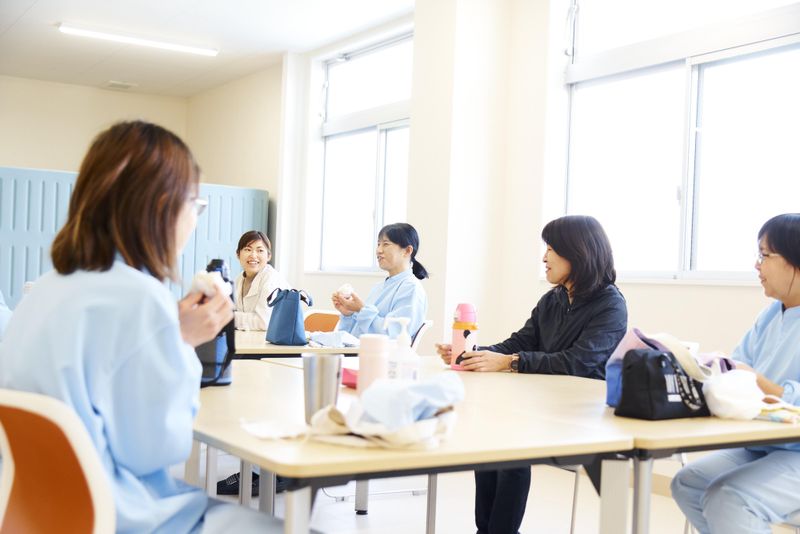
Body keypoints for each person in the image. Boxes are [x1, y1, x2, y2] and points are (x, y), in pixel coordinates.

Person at [0, 121, 282, 532]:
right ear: (164, 206)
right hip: (124, 516)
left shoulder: (44, 289)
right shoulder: (140, 297)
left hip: (40, 514)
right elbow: (158, 448)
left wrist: (167, 337)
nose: (194, 220)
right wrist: (180, 344)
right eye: (196, 206)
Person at [436, 215, 627, 534]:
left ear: (577, 252)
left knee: (510, 447)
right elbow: (520, 342)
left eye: (551, 249)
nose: (544, 257)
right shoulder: (553, 299)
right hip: (543, 402)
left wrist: (509, 362)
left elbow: (578, 362)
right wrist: (474, 354)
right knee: (490, 439)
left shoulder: (610, 304)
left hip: (582, 412)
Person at [671, 213, 800, 534]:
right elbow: (737, 368)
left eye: (764, 255)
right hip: (766, 444)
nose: (757, 265)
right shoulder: (770, 315)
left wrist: (759, 383)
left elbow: (758, 381)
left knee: (729, 497)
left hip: (795, 450)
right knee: (688, 482)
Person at [332, 222, 429, 339]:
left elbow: (395, 334)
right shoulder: (378, 287)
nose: (378, 250)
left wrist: (362, 310)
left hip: (378, 351)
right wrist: (348, 314)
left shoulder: (411, 288)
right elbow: (351, 337)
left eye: (386, 244)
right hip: (358, 349)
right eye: (378, 244)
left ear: (407, 251)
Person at [233, 230, 291, 331]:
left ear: (268, 256)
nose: (253, 255)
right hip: (251, 337)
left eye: (260, 250)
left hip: (276, 339)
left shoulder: (272, 280)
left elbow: (263, 322)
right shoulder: (239, 280)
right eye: (248, 249)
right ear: (238, 254)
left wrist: (228, 318)